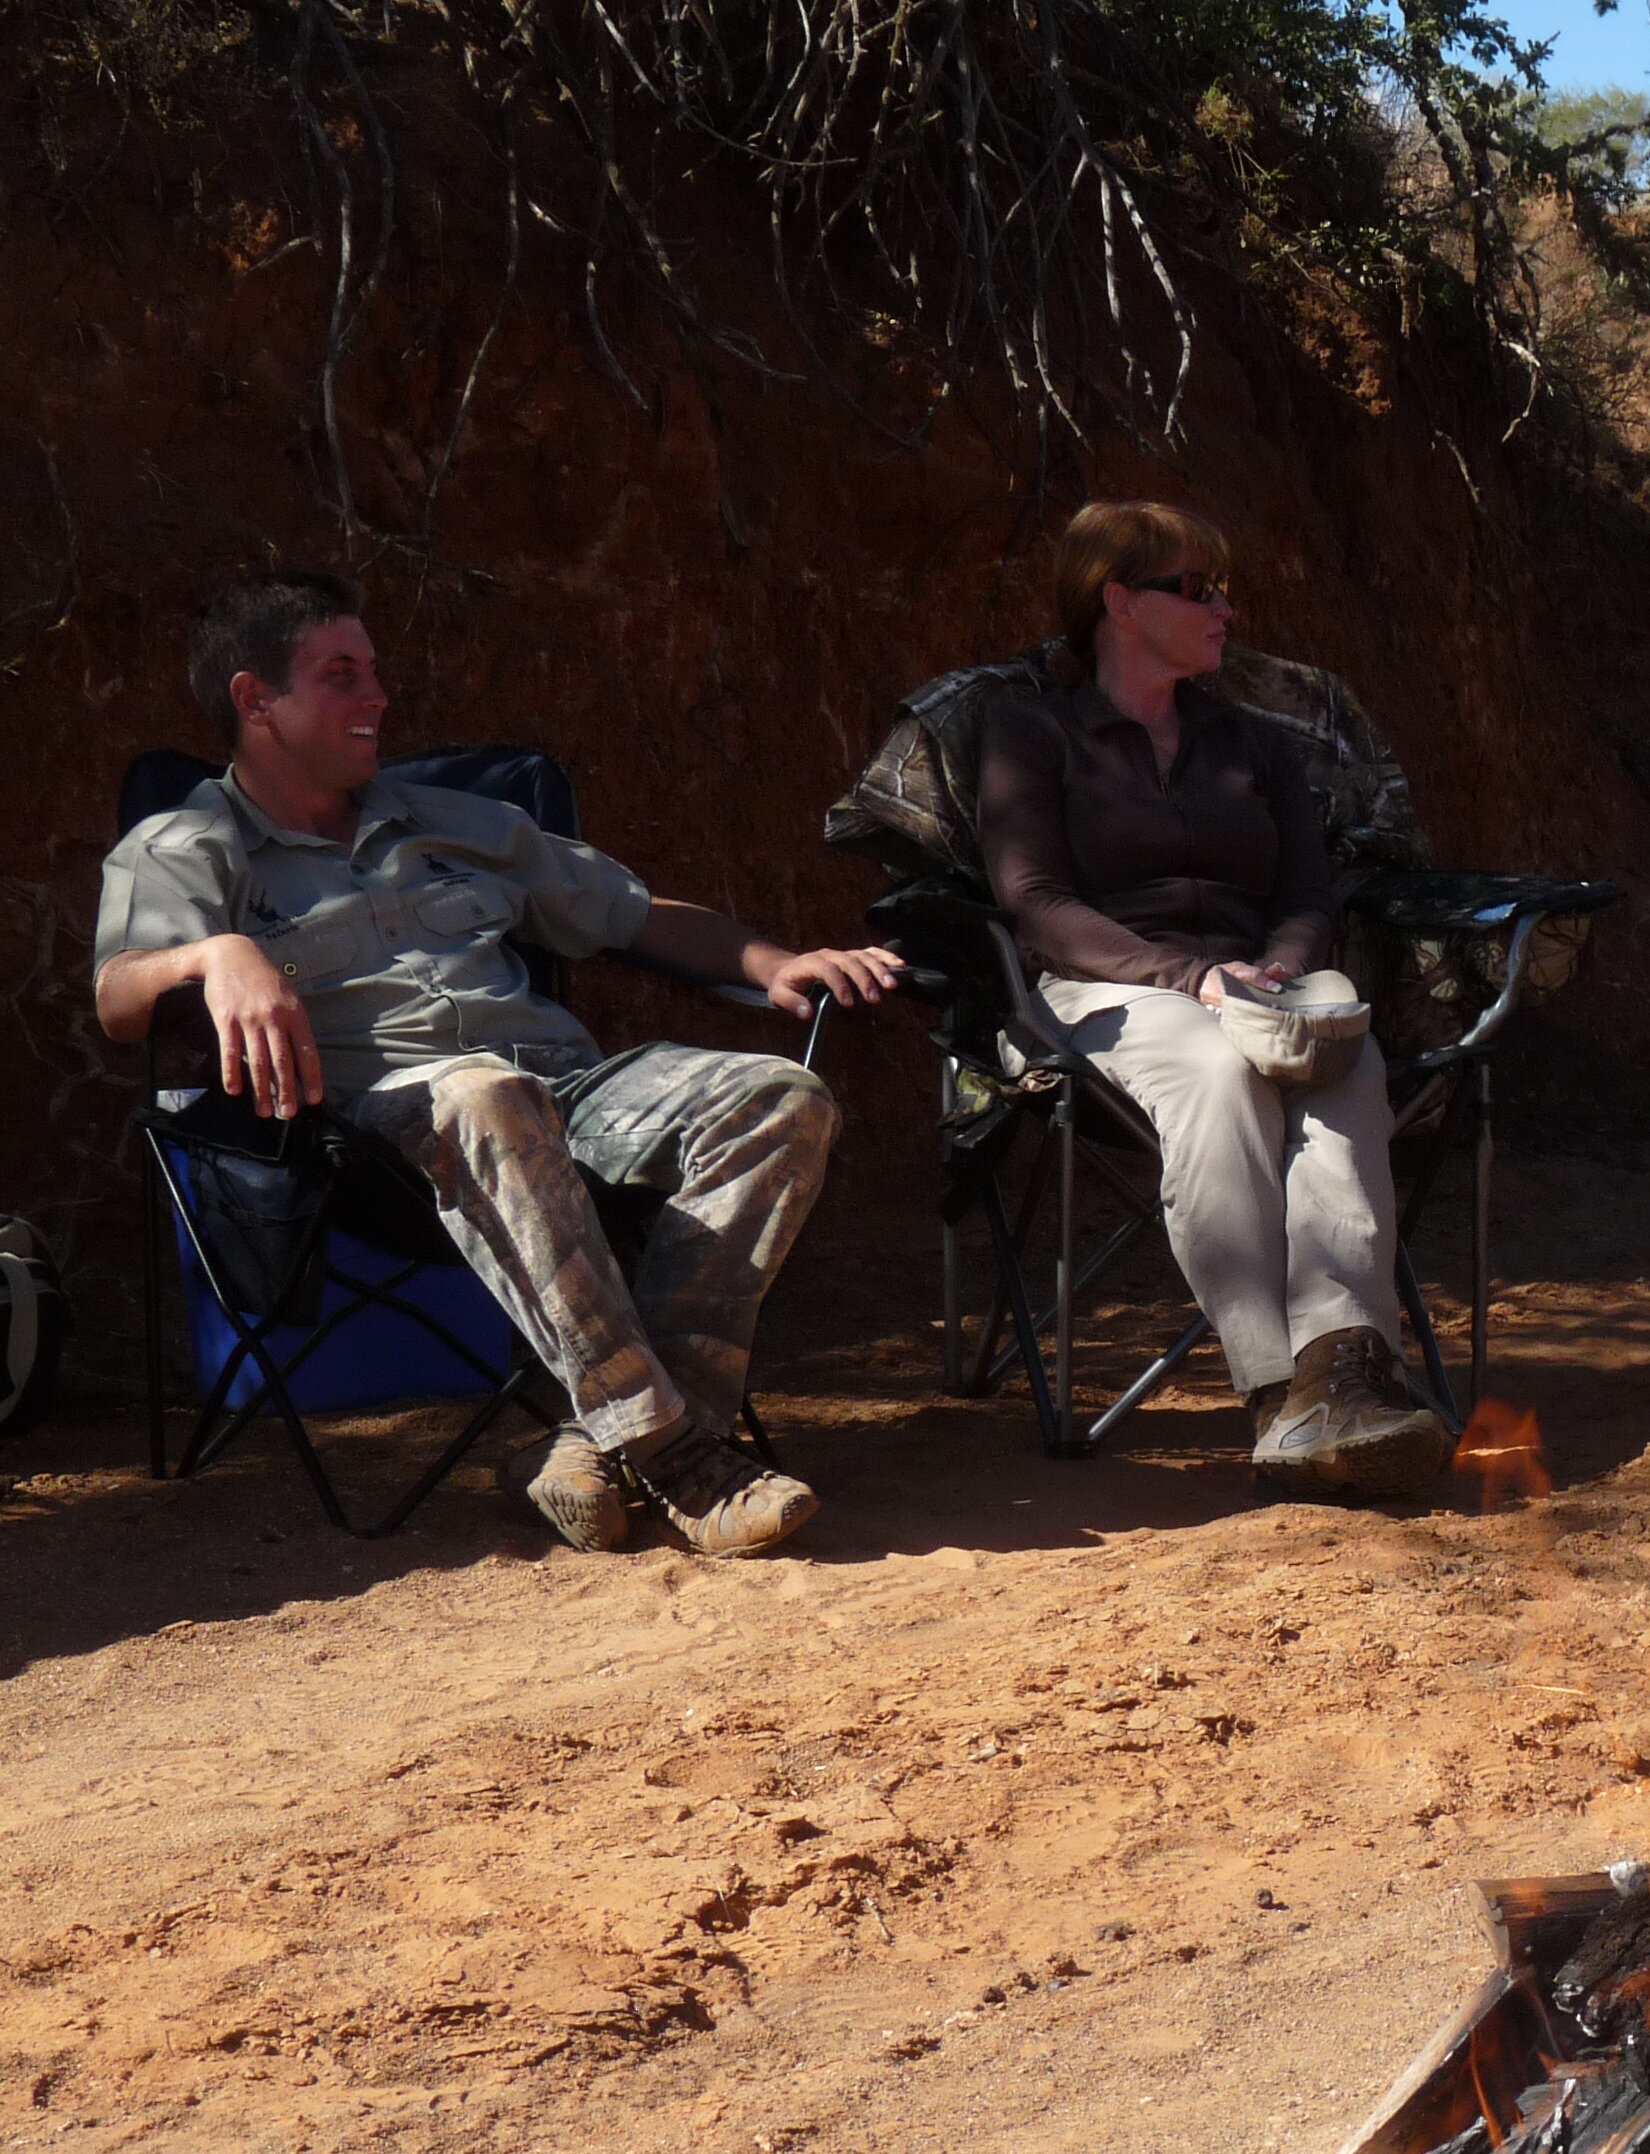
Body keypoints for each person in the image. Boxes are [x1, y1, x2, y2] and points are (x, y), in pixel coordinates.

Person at [92, 570, 900, 1558]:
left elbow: (634, 916)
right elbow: (119, 997)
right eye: (342, 675)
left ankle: (592, 1444)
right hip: (374, 1144)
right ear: (256, 700)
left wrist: (773, 962)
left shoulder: (462, 823)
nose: (377, 697)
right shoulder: (183, 847)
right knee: (486, 1094)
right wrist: (213, 953)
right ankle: (682, 1458)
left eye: (375, 671)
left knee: (779, 1096)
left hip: (565, 1097)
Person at [977, 500, 1450, 1500]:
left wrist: (1277, 969)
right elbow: (1034, 904)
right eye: (1199, 589)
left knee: (1345, 1054)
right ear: (1117, 601)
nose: (1226, 607)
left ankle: (1347, 1366)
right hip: (1102, 991)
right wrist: (1188, 977)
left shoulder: (1252, 745)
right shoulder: (1035, 734)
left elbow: (1306, 892)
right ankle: (1276, 1392)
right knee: (1216, 1064)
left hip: (1253, 981)